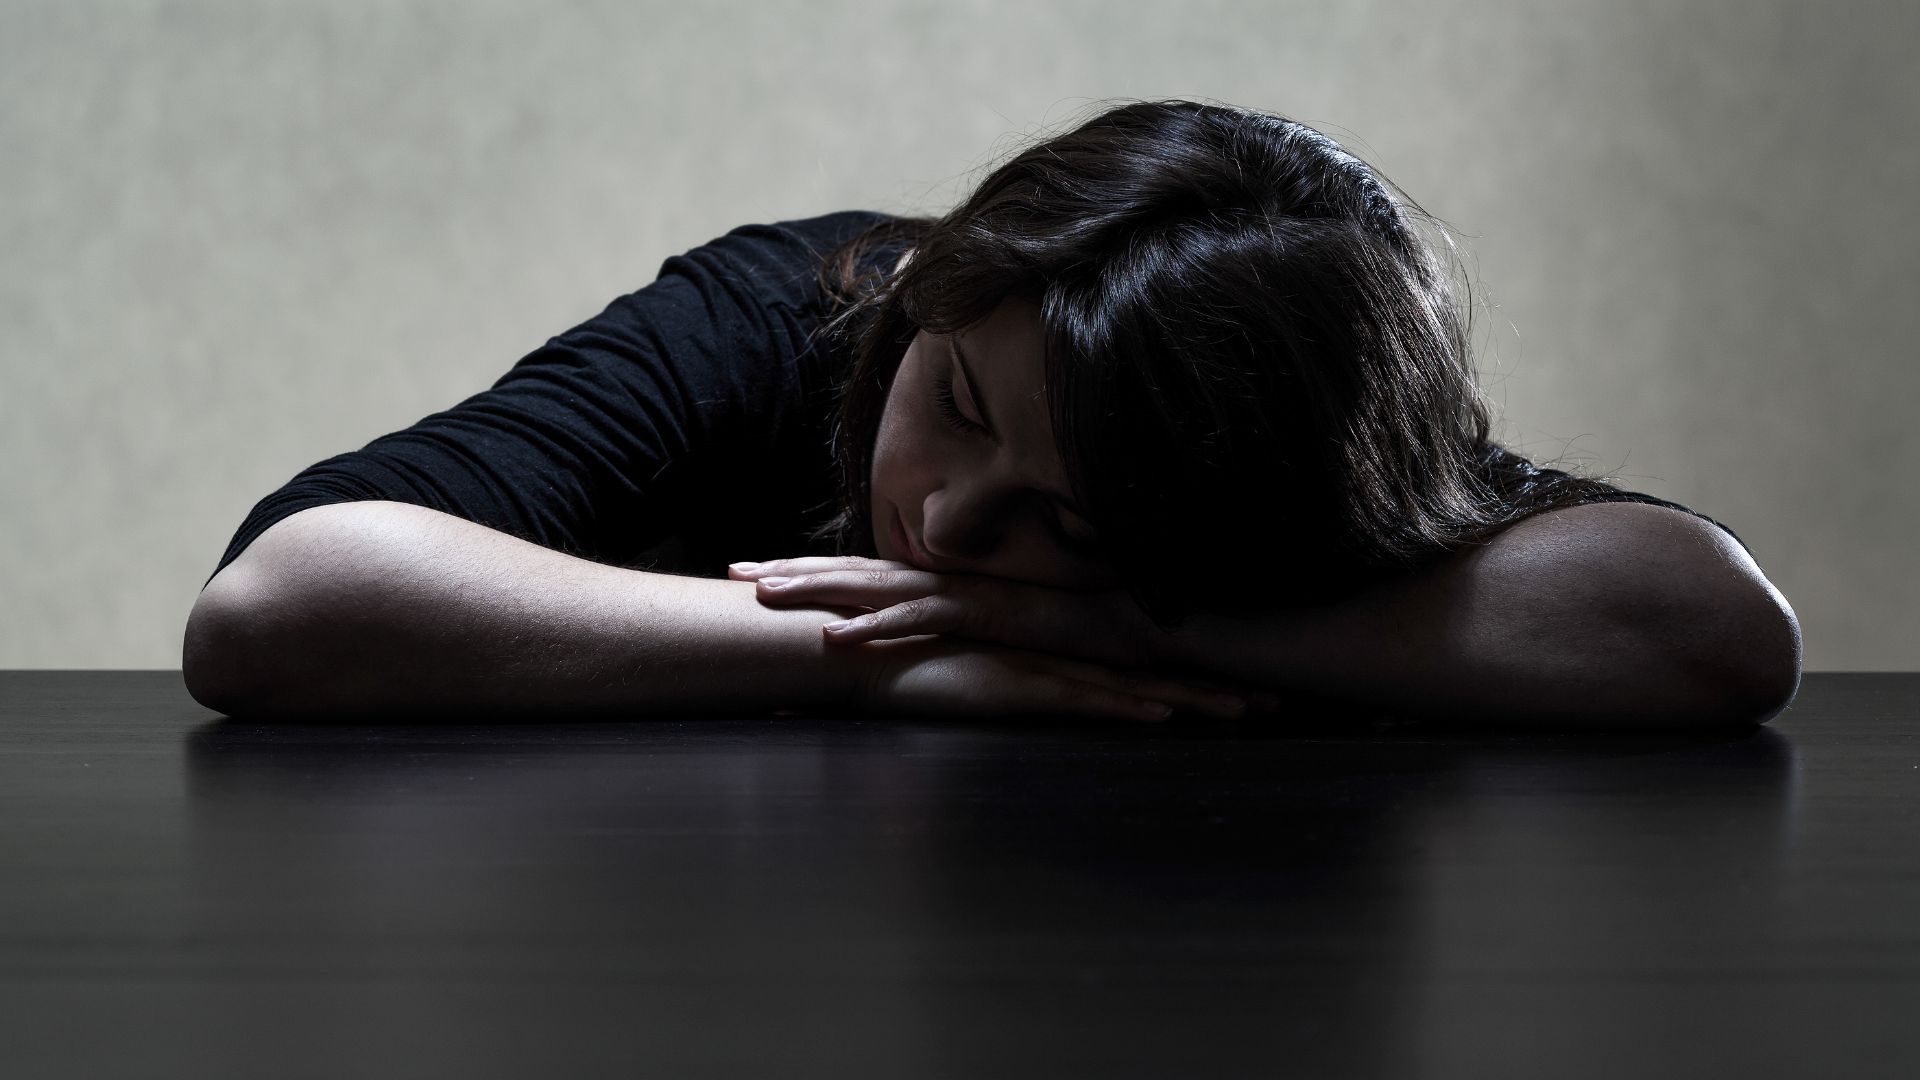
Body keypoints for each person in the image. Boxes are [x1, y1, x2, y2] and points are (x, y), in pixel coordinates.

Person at [182, 98, 1800, 727]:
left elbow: (1706, 628)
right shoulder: (798, 304)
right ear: (940, 289)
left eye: (1071, 519)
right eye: (956, 401)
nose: (954, 518)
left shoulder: (1282, 444)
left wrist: (1140, 633)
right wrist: (910, 645)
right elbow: (285, 596)